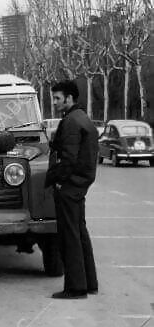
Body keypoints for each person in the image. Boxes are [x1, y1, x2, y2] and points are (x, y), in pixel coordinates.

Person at [45, 80, 98, 299]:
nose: (55, 102)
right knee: (80, 233)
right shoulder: (82, 118)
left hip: (70, 185)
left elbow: (68, 159)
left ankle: (75, 287)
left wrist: (58, 180)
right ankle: (89, 282)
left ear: (69, 98)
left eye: (58, 98)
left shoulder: (71, 122)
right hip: (80, 185)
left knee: (70, 236)